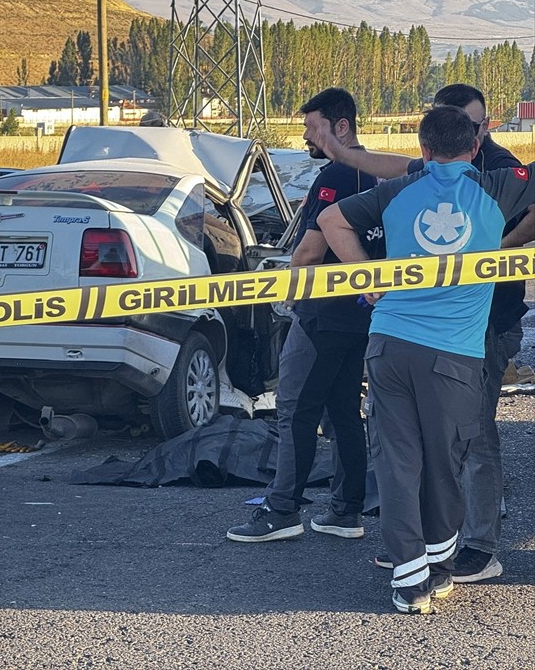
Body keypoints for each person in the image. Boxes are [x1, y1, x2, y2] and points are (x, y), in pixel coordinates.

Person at [311, 84, 534, 583]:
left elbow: (330, 218)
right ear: (476, 144)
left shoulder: (401, 190)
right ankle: (437, 560)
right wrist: (507, 245)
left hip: (389, 342)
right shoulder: (497, 186)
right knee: (447, 458)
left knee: (397, 458)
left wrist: (367, 277)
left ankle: (409, 574)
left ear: (424, 149)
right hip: (454, 353)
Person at [227, 88, 381, 543]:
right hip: (362, 315)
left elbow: (310, 251)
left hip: (322, 314)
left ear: (341, 127)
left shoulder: (335, 173)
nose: (304, 136)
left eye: (312, 127)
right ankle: (346, 510)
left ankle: (281, 510)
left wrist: (293, 284)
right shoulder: (380, 176)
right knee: (344, 412)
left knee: (295, 410)